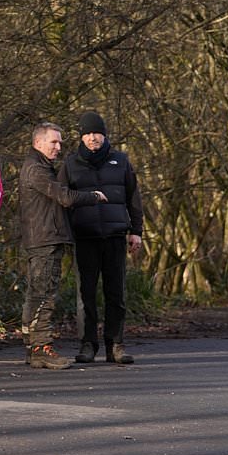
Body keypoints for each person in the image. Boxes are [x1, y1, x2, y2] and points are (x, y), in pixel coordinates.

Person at [19, 122, 106, 369]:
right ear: (38, 143)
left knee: (36, 294)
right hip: (45, 239)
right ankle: (40, 349)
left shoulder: (39, 167)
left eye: (60, 142)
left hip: (43, 238)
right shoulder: (36, 170)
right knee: (43, 296)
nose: (59, 147)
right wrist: (94, 196)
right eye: (53, 142)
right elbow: (65, 197)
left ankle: (32, 347)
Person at [61, 111, 144, 365]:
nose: (92, 138)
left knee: (115, 293)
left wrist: (136, 232)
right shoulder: (70, 164)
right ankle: (88, 345)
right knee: (85, 294)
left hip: (116, 236)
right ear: (81, 136)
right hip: (85, 237)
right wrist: (66, 235)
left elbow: (133, 198)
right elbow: (62, 201)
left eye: (96, 133)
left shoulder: (121, 160)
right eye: (87, 133)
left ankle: (115, 345)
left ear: (104, 135)